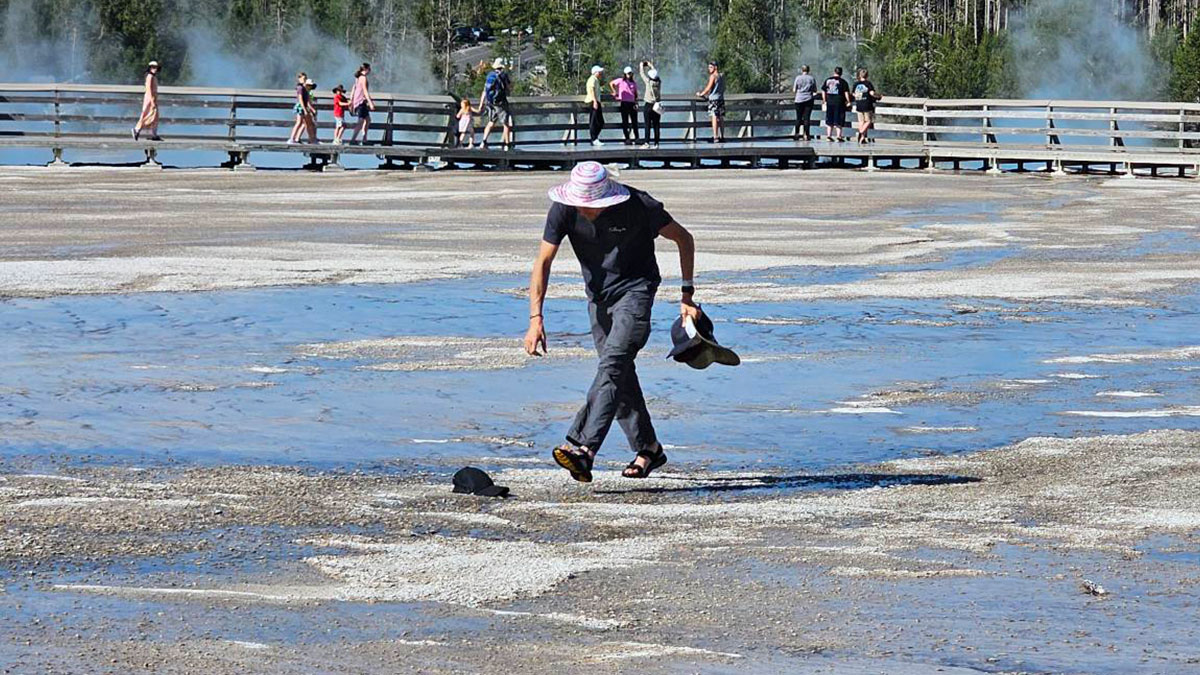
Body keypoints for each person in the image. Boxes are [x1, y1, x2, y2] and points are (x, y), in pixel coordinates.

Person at [524, 161, 701, 482]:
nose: (587, 210)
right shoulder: (563, 209)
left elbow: (684, 239)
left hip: (637, 290)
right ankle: (649, 448)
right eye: (583, 204)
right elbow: (543, 261)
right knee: (618, 371)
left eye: (593, 205)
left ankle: (583, 447)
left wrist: (687, 294)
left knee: (614, 364)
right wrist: (536, 317)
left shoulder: (639, 205)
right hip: (599, 299)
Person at [478, 58, 513, 150]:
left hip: (490, 103)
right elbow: (509, 87)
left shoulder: (490, 75)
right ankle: (507, 145)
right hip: (501, 103)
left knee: (491, 122)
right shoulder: (503, 75)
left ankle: (483, 142)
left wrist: (481, 103)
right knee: (506, 123)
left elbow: (485, 90)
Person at [131, 60, 162, 141]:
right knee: (147, 115)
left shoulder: (153, 77)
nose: (155, 69)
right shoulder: (150, 76)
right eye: (153, 67)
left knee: (155, 117)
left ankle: (153, 134)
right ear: (150, 68)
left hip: (153, 98)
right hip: (149, 98)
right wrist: (152, 101)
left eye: (156, 67)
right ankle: (137, 129)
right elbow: (149, 89)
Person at [696, 61, 725, 143]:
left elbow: (708, 87)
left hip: (713, 99)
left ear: (715, 67)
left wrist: (701, 94)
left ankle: (716, 137)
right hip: (721, 98)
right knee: (721, 117)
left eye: (711, 67)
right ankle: (722, 136)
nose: (709, 69)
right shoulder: (722, 76)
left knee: (714, 117)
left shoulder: (713, 76)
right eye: (708, 67)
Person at [609, 66, 639, 145]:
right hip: (624, 103)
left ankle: (637, 138)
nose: (630, 75)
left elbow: (635, 94)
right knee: (625, 122)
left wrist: (636, 102)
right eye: (628, 73)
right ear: (625, 74)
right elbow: (611, 83)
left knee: (634, 121)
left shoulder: (633, 83)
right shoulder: (621, 80)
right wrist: (615, 92)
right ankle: (627, 139)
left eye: (631, 73)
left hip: (632, 103)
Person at [821, 66, 851, 142]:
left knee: (829, 119)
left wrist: (824, 99)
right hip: (839, 102)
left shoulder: (828, 80)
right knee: (839, 119)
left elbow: (823, 90)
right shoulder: (843, 82)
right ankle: (839, 136)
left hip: (830, 102)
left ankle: (829, 136)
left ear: (834, 72)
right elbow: (846, 92)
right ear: (841, 73)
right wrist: (848, 101)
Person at [853, 69, 881, 144]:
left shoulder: (856, 84)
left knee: (861, 121)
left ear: (859, 75)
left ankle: (862, 138)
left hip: (859, 104)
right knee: (868, 121)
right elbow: (872, 93)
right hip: (866, 104)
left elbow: (853, 94)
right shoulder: (868, 83)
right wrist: (878, 96)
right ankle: (860, 131)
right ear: (867, 75)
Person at [349, 63, 375, 145]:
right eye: (369, 69)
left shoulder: (358, 78)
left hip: (358, 102)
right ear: (366, 69)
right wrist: (370, 103)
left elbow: (353, 89)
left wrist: (351, 101)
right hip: (360, 102)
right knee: (361, 121)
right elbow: (365, 91)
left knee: (367, 119)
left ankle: (364, 139)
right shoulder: (363, 78)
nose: (370, 71)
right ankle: (353, 140)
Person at [639, 60, 662, 148]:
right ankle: (656, 143)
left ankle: (647, 142)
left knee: (647, 124)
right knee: (656, 125)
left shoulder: (648, 82)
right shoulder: (659, 82)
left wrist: (642, 66)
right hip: (657, 105)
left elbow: (642, 74)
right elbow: (655, 73)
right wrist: (651, 65)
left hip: (648, 105)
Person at [792, 65, 817, 141]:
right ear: (808, 70)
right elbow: (815, 90)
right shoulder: (811, 78)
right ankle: (806, 135)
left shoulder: (798, 78)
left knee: (798, 118)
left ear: (801, 70)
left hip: (799, 99)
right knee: (807, 118)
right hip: (808, 99)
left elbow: (794, 90)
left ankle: (796, 134)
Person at [584, 65, 606, 146]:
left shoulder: (596, 79)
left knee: (600, 122)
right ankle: (594, 139)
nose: (600, 73)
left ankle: (595, 138)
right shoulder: (592, 79)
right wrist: (595, 101)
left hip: (596, 101)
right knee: (594, 122)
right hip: (593, 101)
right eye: (599, 72)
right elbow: (591, 90)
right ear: (595, 72)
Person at [288, 72, 311, 144]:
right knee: (299, 122)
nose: (304, 80)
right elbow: (300, 99)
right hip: (300, 106)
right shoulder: (300, 87)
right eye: (303, 78)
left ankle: (297, 138)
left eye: (305, 78)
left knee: (304, 123)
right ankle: (291, 139)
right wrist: (304, 109)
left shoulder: (304, 87)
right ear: (299, 79)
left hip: (303, 106)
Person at [304, 78, 318, 143]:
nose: (310, 87)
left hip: (309, 109)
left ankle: (312, 138)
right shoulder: (307, 92)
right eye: (309, 85)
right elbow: (308, 102)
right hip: (308, 109)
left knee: (311, 124)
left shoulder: (310, 92)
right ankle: (312, 139)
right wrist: (312, 109)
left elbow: (310, 100)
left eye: (311, 85)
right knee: (309, 125)